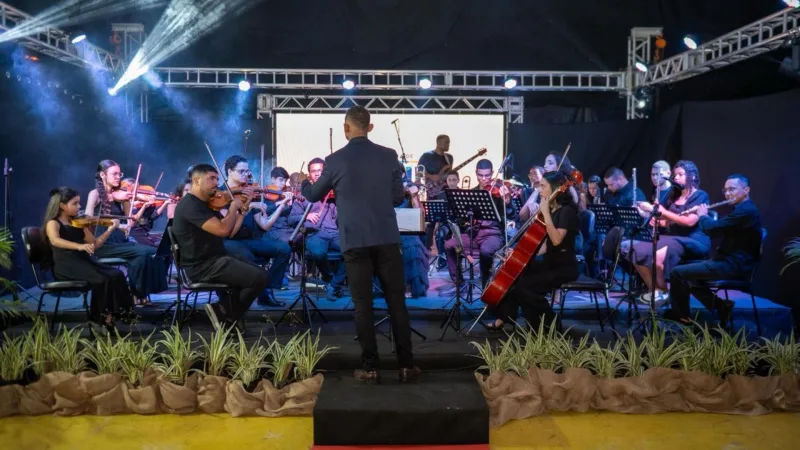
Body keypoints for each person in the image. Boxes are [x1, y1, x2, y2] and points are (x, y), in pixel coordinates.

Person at [301, 105, 419, 383]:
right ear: (370, 127)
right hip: (386, 238)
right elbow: (397, 198)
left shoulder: (334, 160)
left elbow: (313, 194)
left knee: (362, 306)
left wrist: (305, 183)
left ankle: (370, 367)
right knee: (397, 303)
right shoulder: (389, 155)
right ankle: (406, 366)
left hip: (354, 240)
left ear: (346, 128)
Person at [172, 164, 269, 329]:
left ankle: (226, 315)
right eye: (212, 178)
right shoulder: (190, 205)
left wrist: (242, 209)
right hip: (203, 266)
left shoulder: (205, 203)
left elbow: (230, 232)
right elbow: (223, 230)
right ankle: (224, 313)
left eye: (217, 179)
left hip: (216, 258)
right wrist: (232, 208)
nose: (216, 183)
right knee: (260, 278)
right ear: (197, 180)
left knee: (260, 273)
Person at [485, 172, 581, 331]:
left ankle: (550, 326)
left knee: (525, 287)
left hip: (563, 267)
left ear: (555, 189)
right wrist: (518, 254)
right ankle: (512, 319)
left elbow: (556, 240)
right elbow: (544, 246)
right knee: (516, 276)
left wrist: (546, 214)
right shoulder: (552, 211)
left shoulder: (567, 212)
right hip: (549, 263)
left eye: (543, 186)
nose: (540, 189)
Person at [666, 174, 762, 325]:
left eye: (732, 189)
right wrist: (705, 217)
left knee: (677, 273)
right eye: (725, 190)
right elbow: (720, 227)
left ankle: (682, 317)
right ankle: (721, 306)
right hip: (728, 262)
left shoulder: (746, 211)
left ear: (746, 190)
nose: (727, 194)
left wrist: (702, 216)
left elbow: (714, 229)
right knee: (688, 274)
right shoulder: (742, 210)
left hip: (733, 265)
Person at [42, 187, 133, 330]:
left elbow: (94, 245)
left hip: (84, 263)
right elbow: (55, 240)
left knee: (117, 274)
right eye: (75, 203)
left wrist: (110, 229)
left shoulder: (78, 223)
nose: (79, 206)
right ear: (62, 206)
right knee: (102, 280)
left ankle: (115, 315)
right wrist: (79, 246)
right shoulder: (53, 223)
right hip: (66, 266)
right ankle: (100, 319)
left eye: (79, 203)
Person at [85, 160, 167, 307]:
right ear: (103, 175)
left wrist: (141, 206)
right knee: (146, 252)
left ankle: (137, 294)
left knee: (149, 255)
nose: (118, 177)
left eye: (119, 174)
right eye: (114, 174)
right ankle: (137, 294)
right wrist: (111, 223)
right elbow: (88, 218)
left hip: (121, 241)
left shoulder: (122, 196)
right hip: (104, 243)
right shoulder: (95, 194)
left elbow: (130, 222)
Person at [629, 160, 711, 302]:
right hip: (674, 238)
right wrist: (654, 219)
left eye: (680, 174)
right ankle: (657, 291)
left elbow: (689, 222)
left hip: (694, 239)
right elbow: (668, 222)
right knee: (636, 251)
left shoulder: (700, 195)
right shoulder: (674, 196)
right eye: (675, 175)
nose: (676, 177)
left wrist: (662, 211)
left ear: (692, 176)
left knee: (657, 257)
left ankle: (664, 294)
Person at [218, 155, 290, 307]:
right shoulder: (221, 194)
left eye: (247, 171)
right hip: (230, 241)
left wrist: (282, 205)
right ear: (230, 171)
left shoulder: (250, 192)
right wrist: (248, 206)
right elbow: (228, 227)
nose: (246, 175)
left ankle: (267, 290)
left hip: (250, 239)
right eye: (242, 171)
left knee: (284, 249)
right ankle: (239, 297)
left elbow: (264, 225)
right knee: (249, 258)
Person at [443, 159, 510, 287]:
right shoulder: (472, 192)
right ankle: (458, 282)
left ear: (492, 173)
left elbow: (510, 215)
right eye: (480, 175)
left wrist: (506, 200)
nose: (484, 179)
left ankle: (486, 284)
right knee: (449, 245)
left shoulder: (498, 192)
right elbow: (463, 218)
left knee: (486, 251)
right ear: (476, 173)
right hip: (473, 234)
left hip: (493, 235)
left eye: (487, 175)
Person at [290, 157, 348, 300]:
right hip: (314, 234)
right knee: (318, 253)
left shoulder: (335, 193)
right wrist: (306, 215)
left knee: (354, 250)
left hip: (335, 233)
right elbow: (291, 219)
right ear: (309, 174)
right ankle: (330, 279)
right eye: (313, 171)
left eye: (320, 171)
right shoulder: (303, 195)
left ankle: (335, 285)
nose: (317, 174)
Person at [418, 135, 454, 249]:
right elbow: (419, 172)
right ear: (438, 143)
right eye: (446, 142)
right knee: (431, 221)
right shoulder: (427, 156)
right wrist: (431, 176)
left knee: (446, 220)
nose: (448, 144)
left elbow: (448, 174)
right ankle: (427, 248)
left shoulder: (449, 157)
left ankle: (445, 249)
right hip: (431, 191)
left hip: (444, 192)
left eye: (449, 142)